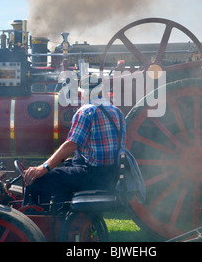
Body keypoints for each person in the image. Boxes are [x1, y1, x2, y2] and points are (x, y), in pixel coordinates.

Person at [23, 74, 126, 206]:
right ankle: (63, 218)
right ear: (100, 90)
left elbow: (71, 145)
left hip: (92, 176)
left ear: (81, 93)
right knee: (64, 172)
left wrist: (42, 168)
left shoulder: (86, 111)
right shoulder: (117, 112)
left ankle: (34, 221)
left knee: (38, 179)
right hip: (111, 175)